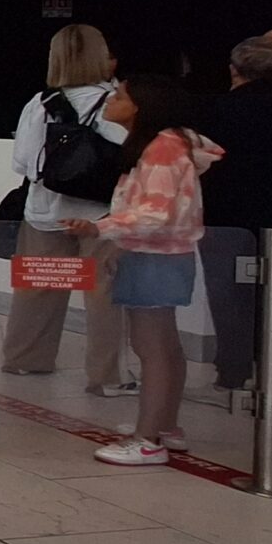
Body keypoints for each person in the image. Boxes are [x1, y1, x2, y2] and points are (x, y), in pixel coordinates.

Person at [62, 75, 221, 466]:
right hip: (157, 254)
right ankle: (164, 425)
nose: (111, 100)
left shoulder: (163, 148)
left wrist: (100, 229)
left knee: (152, 348)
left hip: (156, 257)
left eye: (119, 95)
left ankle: (148, 439)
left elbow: (154, 213)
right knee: (163, 345)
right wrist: (118, 242)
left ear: (141, 105)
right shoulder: (166, 144)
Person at [0, 24, 133, 394]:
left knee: (37, 287)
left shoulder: (39, 103)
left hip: (44, 210)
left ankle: (25, 358)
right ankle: (107, 377)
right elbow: (128, 157)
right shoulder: (115, 103)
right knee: (104, 295)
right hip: (101, 213)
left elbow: (23, 162)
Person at [196, 36, 272, 393]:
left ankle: (233, 372)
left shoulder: (218, 109)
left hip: (229, 214)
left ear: (235, 70)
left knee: (230, 297)